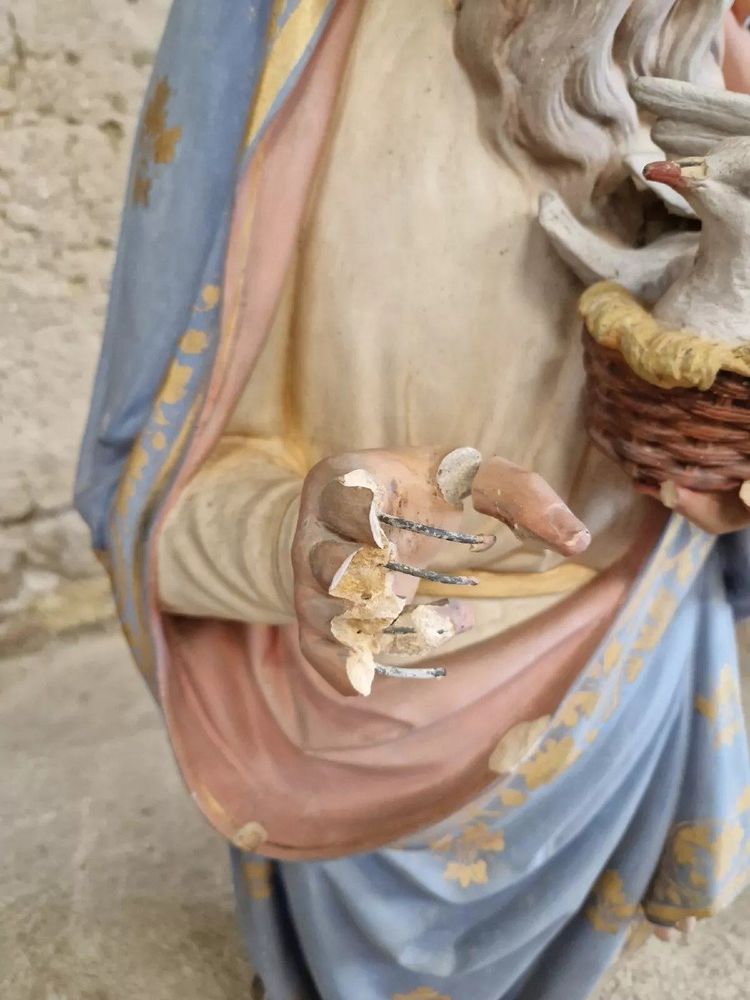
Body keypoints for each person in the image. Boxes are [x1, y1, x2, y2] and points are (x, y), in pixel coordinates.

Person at [75, 2, 750, 998]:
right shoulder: (279, 41)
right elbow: (147, 492)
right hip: (365, 712)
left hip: (636, 669)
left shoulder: (710, 36)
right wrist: (301, 544)